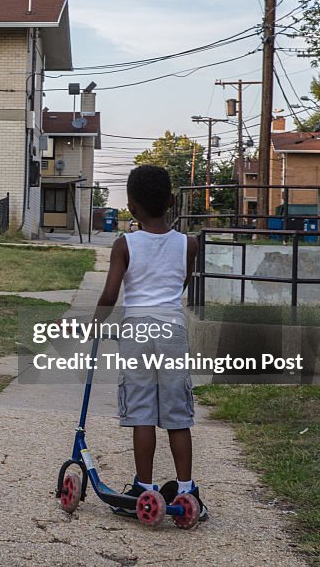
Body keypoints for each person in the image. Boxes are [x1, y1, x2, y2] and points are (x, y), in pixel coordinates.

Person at [93, 165, 207, 520]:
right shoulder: (189, 244)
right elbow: (181, 283)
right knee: (176, 414)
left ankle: (144, 487)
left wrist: (93, 326)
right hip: (171, 330)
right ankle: (187, 490)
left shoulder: (124, 244)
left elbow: (111, 294)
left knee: (142, 412)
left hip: (137, 331)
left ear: (130, 207)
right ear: (172, 201)